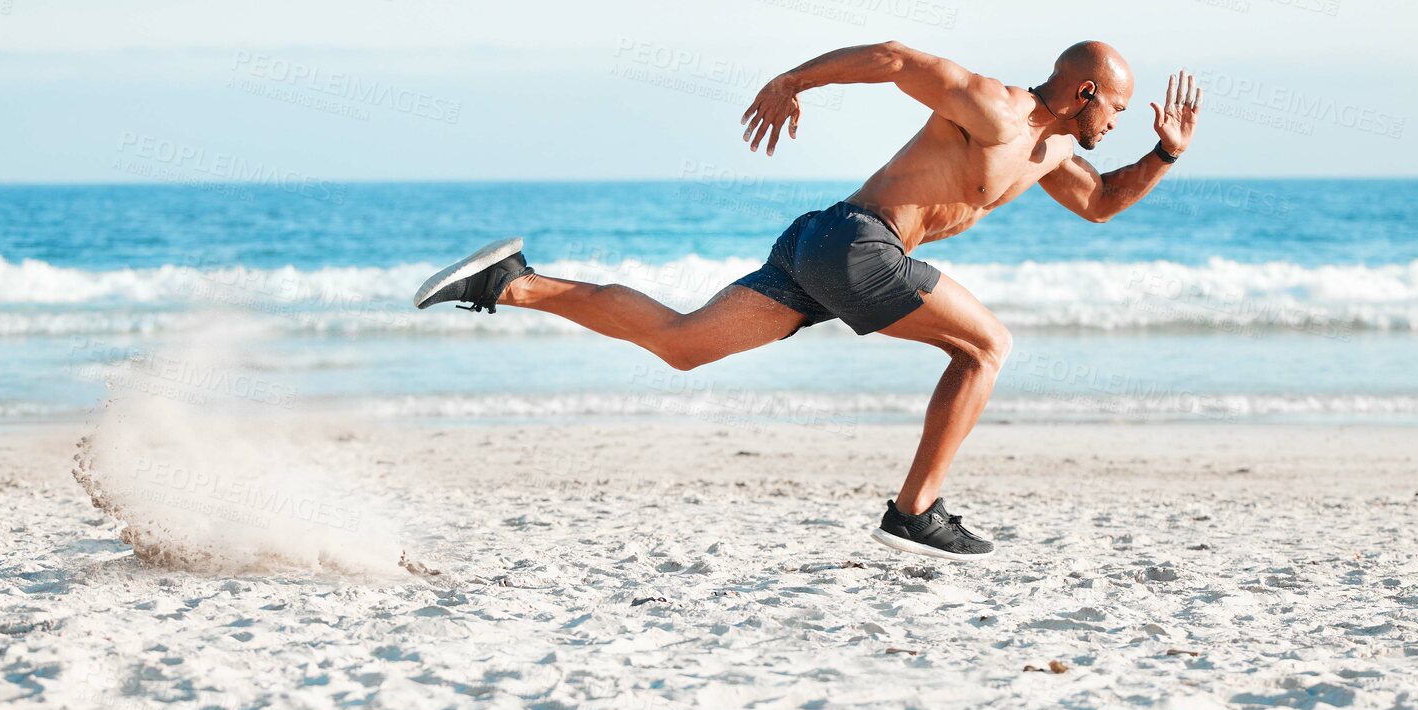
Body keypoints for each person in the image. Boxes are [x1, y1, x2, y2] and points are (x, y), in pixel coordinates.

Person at [412, 40, 1201, 559]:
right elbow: (896, 59)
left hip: (822, 248)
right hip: (858, 243)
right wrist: (792, 83)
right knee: (986, 347)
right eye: (1119, 110)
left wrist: (1164, 153)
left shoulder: (1055, 149)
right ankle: (914, 510)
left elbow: (1100, 203)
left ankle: (510, 280)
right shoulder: (993, 108)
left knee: (682, 345)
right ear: (1085, 89)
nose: (1118, 122)